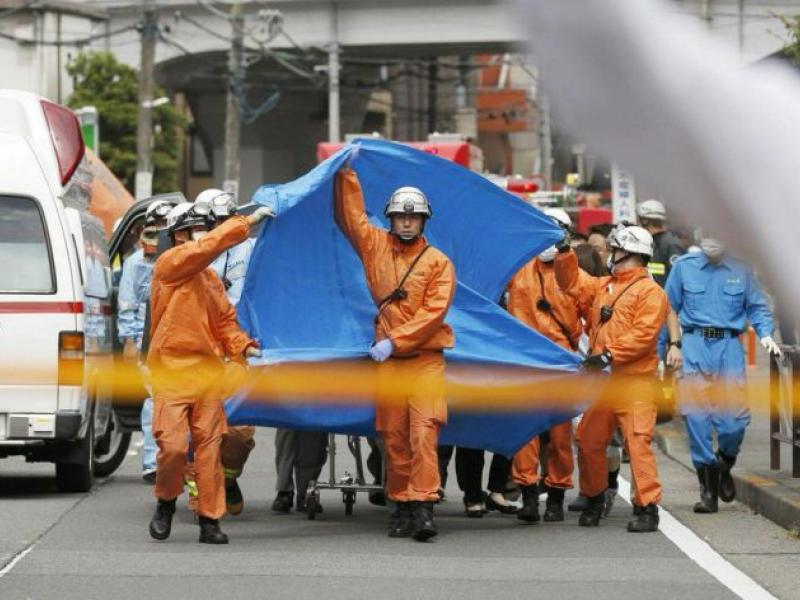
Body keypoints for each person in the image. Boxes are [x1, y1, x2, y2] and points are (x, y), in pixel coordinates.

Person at [334, 165, 456, 541]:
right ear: (390, 219)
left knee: (423, 434)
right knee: (394, 438)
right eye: (400, 216)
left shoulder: (438, 263)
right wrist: (344, 173)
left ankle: (423, 508)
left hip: (424, 362)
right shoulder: (374, 246)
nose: (406, 222)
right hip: (389, 364)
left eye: (413, 216)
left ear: (423, 221)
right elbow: (351, 217)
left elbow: (434, 313)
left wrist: (395, 341)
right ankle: (401, 506)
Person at [146, 201, 273, 544]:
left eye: (206, 228)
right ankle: (165, 501)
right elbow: (206, 248)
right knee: (173, 448)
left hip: (206, 374)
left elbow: (225, 323)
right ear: (178, 235)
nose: (203, 235)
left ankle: (210, 519)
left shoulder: (210, 279)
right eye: (198, 229)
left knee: (208, 450)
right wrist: (244, 223)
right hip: (172, 373)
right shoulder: (169, 265)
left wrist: (243, 346)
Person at [555, 223, 668, 532]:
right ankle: (593, 498)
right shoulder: (603, 285)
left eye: (615, 249)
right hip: (604, 381)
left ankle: (646, 507)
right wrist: (564, 252)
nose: (610, 253)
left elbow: (643, 334)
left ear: (628, 253)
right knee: (589, 439)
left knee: (637, 442)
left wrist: (608, 355)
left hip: (635, 381)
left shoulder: (651, 292)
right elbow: (571, 281)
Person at [664, 235, 780, 513]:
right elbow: (667, 308)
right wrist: (667, 348)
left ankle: (724, 463)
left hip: (728, 347)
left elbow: (757, 307)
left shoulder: (741, 268)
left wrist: (765, 334)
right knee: (696, 418)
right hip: (693, 344)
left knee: (733, 423)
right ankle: (708, 491)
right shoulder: (684, 267)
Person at [507, 208, 583, 523]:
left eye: (557, 233)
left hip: (560, 360)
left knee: (560, 435)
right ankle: (528, 493)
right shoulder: (517, 269)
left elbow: (595, 309)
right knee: (525, 431)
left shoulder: (574, 275)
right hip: (525, 358)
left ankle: (556, 495)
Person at [195, 188, 259, 517]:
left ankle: (229, 478)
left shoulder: (253, 249)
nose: (220, 227)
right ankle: (202, 500)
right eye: (213, 222)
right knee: (198, 429)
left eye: (225, 220)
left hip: (238, 349)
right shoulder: (193, 254)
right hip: (199, 352)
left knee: (239, 432)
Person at [117, 199, 176, 483]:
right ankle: (153, 463)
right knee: (155, 399)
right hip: (148, 340)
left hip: (180, 339)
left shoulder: (185, 255)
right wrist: (129, 340)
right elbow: (127, 303)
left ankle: (179, 460)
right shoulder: (136, 263)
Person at [636, 199, 685, 287]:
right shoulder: (649, 241)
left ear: (645, 221)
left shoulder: (671, 244)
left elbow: (679, 277)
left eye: (640, 219)